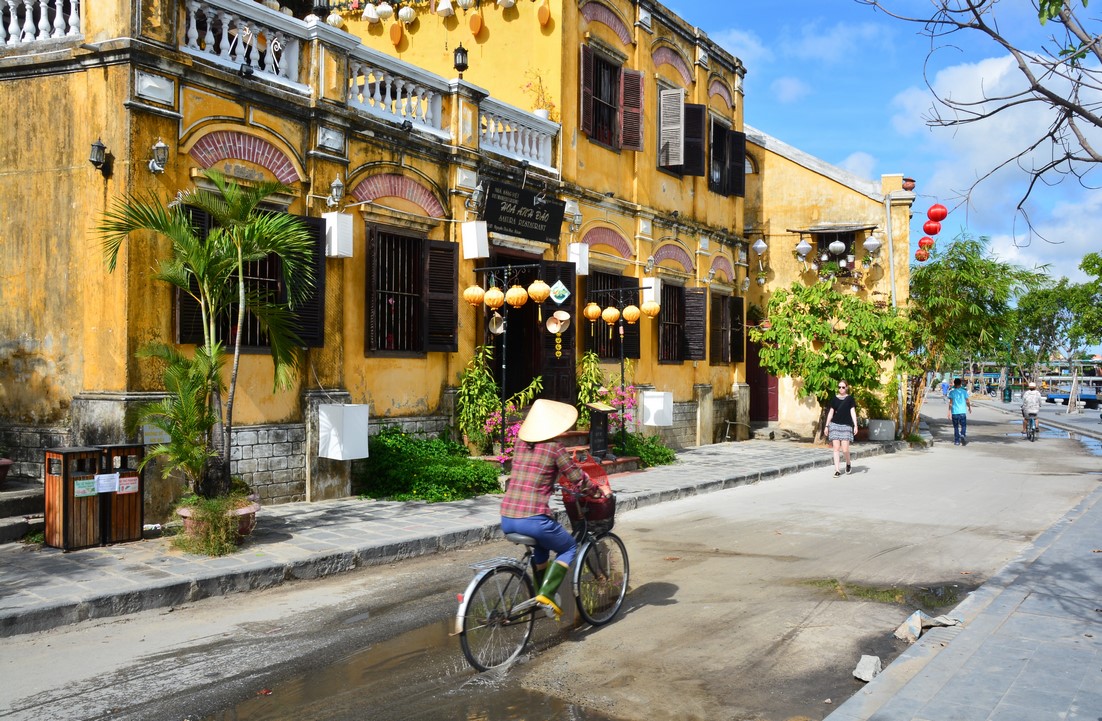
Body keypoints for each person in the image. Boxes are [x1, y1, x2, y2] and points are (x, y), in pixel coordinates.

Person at [500, 399, 609, 619]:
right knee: (568, 547)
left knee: (542, 548)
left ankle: (541, 596)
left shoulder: (520, 443)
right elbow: (576, 476)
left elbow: (532, 471)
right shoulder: (554, 447)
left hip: (507, 517)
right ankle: (547, 594)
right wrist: (596, 491)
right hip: (533, 518)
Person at [821, 380, 858, 477]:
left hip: (846, 425)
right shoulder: (834, 399)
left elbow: (853, 412)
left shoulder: (850, 399)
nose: (841, 389)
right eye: (839, 387)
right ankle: (837, 470)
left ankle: (848, 463)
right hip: (835, 425)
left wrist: (855, 425)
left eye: (843, 387)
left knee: (845, 449)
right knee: (836, 448)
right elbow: (831, 413)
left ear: (847, 387)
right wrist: (827, 426)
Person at [947, 378, 972, 445]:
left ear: (954, 384)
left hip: (955, 412)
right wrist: (969, 407)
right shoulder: (964, 392)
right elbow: (967, 401)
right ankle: (963, 434)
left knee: (956, 427)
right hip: (962, 412)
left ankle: (957, 441)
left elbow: (951, 403)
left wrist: (949, 412)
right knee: (963, 425)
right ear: (960, 384)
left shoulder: (952, 392)